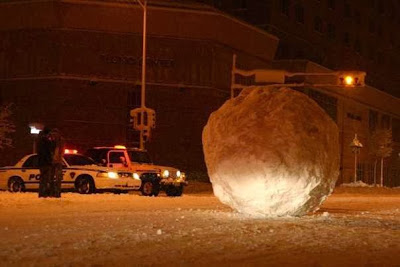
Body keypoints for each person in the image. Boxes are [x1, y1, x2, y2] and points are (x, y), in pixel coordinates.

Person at [38, 127, 53, 198]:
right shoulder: (47, 142)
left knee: (43, 178)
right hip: (46, 163)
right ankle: (44, 193)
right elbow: (48, 152)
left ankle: (41, 193)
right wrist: (49, 161)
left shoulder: (40, 141)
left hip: (41, 162)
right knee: (46, 179)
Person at [49, 128, 65, 198]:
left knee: (56, 178)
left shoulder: (59, 141)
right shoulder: (52, 141)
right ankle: (53, 192)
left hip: (57, 162)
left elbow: (60, 151)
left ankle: (56, 193)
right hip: (55, 162)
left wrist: (57, 158)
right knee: (52, 178)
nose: (54, 135)